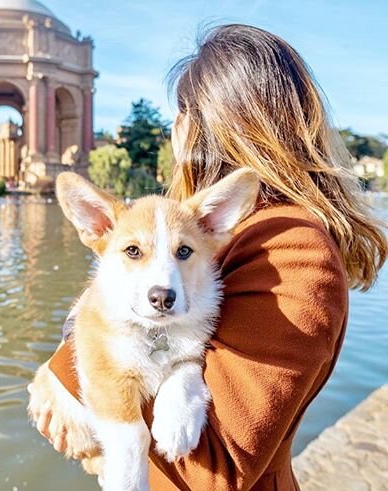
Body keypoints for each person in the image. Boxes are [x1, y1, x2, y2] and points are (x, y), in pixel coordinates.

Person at [27, 24, 387, 490]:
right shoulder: (226, 231)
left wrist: (72, 378)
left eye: (181, 115)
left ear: (200, 127)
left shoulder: (294, 248)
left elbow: (219, 467)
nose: (172, 131)